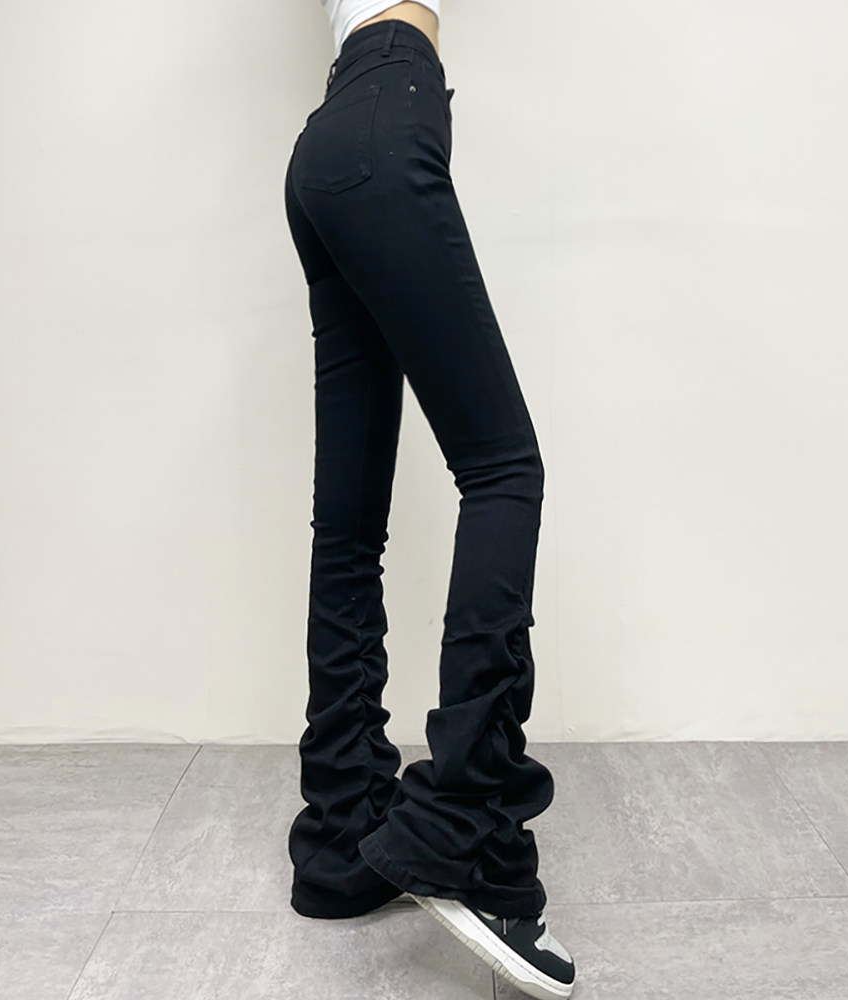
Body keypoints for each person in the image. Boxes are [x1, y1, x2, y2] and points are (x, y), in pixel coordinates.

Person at [282, 3, 576, 997]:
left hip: (327, 141)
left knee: (348, 525)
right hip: (387, 115)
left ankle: (342, 834)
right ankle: (470, 833)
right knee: (504, 468)